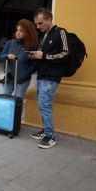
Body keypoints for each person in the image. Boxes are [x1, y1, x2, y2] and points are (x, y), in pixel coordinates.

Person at [0, 19, 38, 129]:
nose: (18, 33)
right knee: (2, 99)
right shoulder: (10, 43)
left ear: (27, 32)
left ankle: (14, 124)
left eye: (21, 31)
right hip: (9, 77)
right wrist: (7, 56)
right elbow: (1, 56)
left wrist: (26, 74)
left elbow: (34, 65)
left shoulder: (32, 46)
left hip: (22, 80)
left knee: (18, 101)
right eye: (17, 30)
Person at [29, 8, 69, 149]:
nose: (38, 27)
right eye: (36, 24)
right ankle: (45, 131)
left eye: (40, 23)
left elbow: (65, 54)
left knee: (44, 105)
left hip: (51, 77)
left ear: (49, 19)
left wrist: (44, 56)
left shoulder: (60, 32)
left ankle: (50, 136)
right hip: (42, 75)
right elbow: (43, 54)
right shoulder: (44, 35)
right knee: (42, 105)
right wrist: (35, 55)